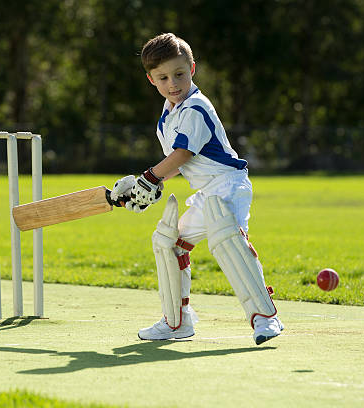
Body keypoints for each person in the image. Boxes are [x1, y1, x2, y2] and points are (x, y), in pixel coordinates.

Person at [110, 33, 284, 345]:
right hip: (207, 191)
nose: (172, 83)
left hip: (229, 186)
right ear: (151, 80)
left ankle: (265, 317)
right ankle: (177, 322)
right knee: (170, 244)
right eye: (163, 77)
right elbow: (177, 164)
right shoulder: (167, 115)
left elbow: (183, 154)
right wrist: (145, 184)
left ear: (192, 68)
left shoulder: (195, 108)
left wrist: (149, 178)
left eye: (179, 73)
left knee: (228, 240)